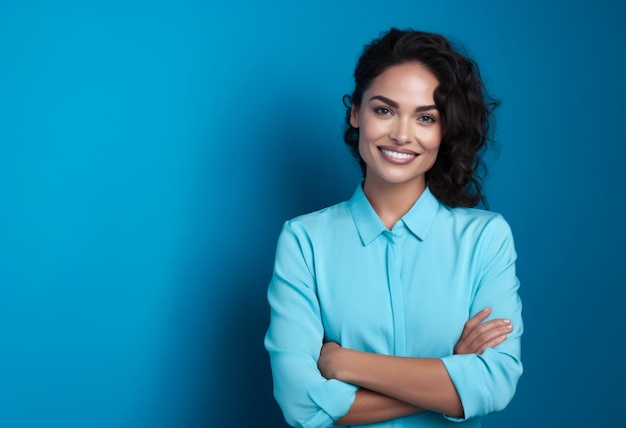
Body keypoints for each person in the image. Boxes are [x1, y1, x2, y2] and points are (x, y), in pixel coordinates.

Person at [264, 28, 523, 427]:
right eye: (384, 110)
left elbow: (496, 383)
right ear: (356, 113)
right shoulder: (304, 241)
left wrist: (343, 362)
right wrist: (453, 372)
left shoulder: (485, 239)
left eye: (425, 117)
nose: (402, 134)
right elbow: (302, 405)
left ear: (444, 130)